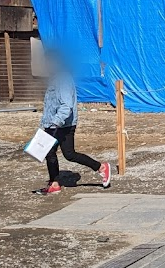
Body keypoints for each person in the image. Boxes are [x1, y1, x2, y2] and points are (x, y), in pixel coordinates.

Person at [39, 59, 112, 194]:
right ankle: (54, 183)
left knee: (69, 154)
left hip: (63, 125)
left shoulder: (64, 79)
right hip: (53, 124)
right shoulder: (55, 78)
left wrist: (56, 122)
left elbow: (66, 106)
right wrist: (45, 123)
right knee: (49, 153)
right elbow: (50, 105)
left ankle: (101, 167)